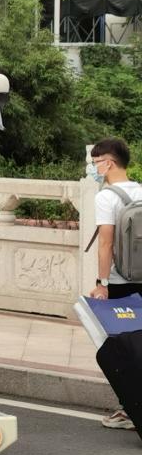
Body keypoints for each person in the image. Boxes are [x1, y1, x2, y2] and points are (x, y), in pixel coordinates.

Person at [87, 138, 142, 431]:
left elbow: (106, 243)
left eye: (95, 162)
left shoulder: (106, 197)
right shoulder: (141, 191)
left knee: (120, 348)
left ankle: (129, 408)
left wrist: (102, 283)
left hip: (121, 281)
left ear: (108, 163)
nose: (93, 167)